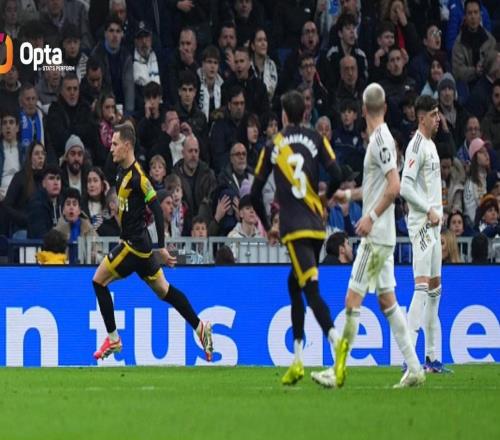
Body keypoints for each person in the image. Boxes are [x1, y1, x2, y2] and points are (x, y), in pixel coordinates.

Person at [323, 83, 424, 389]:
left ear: (363, 110)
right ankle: (415, 368)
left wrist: (371, 216)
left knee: (352, 299)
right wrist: (348, 195)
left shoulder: (380, 139)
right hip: (384, 235)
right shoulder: (383, 139)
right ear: (385, 108)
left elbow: (394, 186)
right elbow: (376, 188)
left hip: (376, 236)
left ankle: (338, 369)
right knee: (387, 300)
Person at [91, 124, 213, 362]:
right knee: (164, 291)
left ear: (127, 146)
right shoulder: (120, 172)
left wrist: (161, 247)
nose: (111, 148)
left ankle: (113, 339)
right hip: (140, 247)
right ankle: (201, 327)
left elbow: (156, 209)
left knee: (98, 281)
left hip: (134, 246)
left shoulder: (138, 177)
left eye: (115, 144)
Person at [250, 90, 343, 386]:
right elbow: (337, 173)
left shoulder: (274, 145)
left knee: (310, 290)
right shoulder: (317, 138)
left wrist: (269, 226)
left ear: (283, 115)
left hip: (293, 228)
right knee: (295, 285)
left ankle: (336, 341)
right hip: (316, 227)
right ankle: (298, 359)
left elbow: (254, 193)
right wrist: (325, 199)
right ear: (304, 113)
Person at [401, 95, 450, 374]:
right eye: (433, 114)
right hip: (421, 225)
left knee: (434, 291)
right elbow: (405, 187)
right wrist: (429, 210)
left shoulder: (431, 145)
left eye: (438, 113)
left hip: (434, 226)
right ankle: (409, 359)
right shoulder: (416, 146)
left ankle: (432, 358)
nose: (438, 118)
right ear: (422, 118)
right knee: (421, 289)